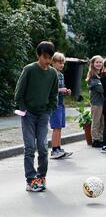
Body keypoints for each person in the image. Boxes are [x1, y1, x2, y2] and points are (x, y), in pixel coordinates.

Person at [14, 41, 59, 192]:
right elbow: (19, 93)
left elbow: (54, 94)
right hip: (28, 114)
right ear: (38, 55)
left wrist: (49, 110)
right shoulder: (29, 70)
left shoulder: (53, 73)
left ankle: (41, 176)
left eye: (50, 58)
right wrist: (23, 109)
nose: (47, 61)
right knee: (30, 147)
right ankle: (30, 180)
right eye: (44, 57)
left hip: (43, 114)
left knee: (43, 147)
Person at [49, 52, 73, 159]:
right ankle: (54, 150)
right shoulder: (50, 73)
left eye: (63, 63)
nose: (61, 65)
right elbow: (48, 90)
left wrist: (66, 91)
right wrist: (59, 90)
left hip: (61, 104)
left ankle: (58, 148)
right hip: (54, 105)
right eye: (59, 63)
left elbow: (60, 89)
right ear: (53, 62)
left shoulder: (61, 74)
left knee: (60, 127)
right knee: (56, 127)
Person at [86, 55, 105, 148]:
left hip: (102, 102)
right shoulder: (92, 76)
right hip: (96, 103)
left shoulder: (100, 75)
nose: (99, 64)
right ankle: (95, 140)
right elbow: (101, 90)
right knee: (96, 121)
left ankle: (101, 138)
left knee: (102, 122)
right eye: (97, 62)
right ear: (93, 64)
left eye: (100, 62)